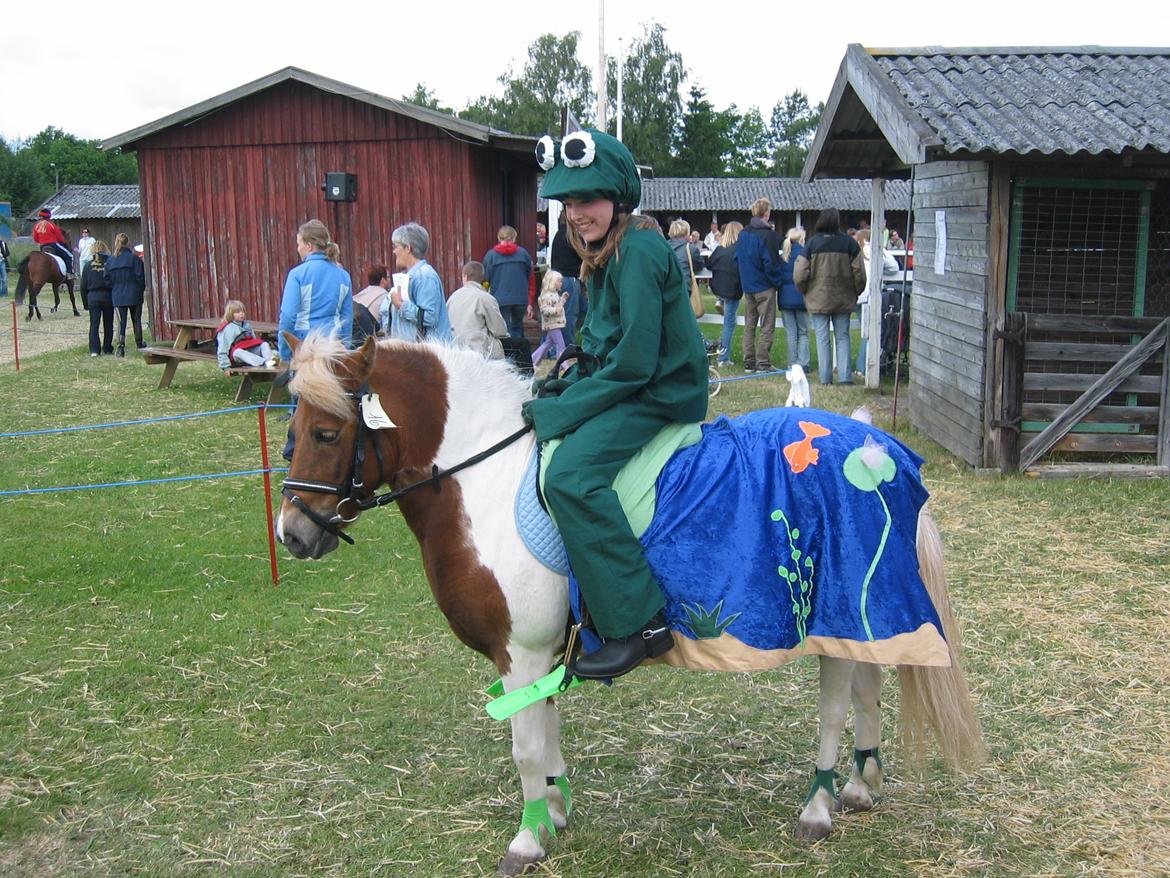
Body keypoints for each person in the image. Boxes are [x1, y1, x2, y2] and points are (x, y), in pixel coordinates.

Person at [524, 128, 708, 680]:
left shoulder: (642, 250)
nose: (578, 213)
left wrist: (564, 409)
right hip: (635, 384)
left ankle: (639, 625)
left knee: (571, 478)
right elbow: (605, 349)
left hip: (660, 395)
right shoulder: (604, 253)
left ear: (618, 198)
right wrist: (566, 384)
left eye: (589, 199)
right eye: (569, 202)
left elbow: (635, 364)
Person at [794, 208, 866, 385]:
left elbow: (799, 274)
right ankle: (845, 377)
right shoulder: (850, 243)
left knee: (822, 338)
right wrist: (854, 291)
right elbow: (860, 274)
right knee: (843, 337)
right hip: (843, 297)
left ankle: (825, 378)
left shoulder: (812, 244)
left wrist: (806, 291)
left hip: (818, 298)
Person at [277, 219, 353, 363]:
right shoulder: (344, 275)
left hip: (306, 347)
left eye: (299, 244)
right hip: (333, 347)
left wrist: (286, 352)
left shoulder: (297, 274)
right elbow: (347, 318)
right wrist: (344, 349)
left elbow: (288, 316)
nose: (298, 248)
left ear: (309, 246)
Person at [734, 197, 785, 373]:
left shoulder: (743, 234)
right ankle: (763, 362)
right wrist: (777, 282)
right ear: (766, 213)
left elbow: (737, 258)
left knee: (750, 324)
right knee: (767, 325)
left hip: (748, 285)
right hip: (764, 286)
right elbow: (770, 262)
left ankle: (749, 361)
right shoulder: (768, 235)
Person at [379, 222, 452, 343]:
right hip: (411, 354)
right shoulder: (408, 277)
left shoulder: (425, 276)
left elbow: (429, 317)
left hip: (430, 354)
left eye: (395, 246)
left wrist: (401, 306)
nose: (394, 251)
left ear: (408, 248)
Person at [854, 228, 899, 375]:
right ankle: (863, 367)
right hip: (871, 295)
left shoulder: (854, 250)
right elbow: (894, 267)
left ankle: (862, 366)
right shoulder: (877, 250)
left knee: (865, 332)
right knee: (871, 333)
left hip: (856, 295)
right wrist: (880, 271)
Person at [448, 260, 508, 359]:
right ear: (482, 278)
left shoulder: (452, 298)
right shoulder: (486, 298)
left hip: (455, 349)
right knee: (521, 344)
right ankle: (524, 372)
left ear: (465, 276)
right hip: (480, 351)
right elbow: (500, 330)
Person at [483, 225, 533, 340]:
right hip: (520, 298)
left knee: (503, 329)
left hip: (500, 299)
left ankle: (507, 354)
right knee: (517, 327)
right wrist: (530, 300)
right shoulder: (523, 254)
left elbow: (485, 279)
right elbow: (529, 275)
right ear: (514, 238)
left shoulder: (491, 256)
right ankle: (519, 353)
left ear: (499, 238)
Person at [707, 221, 743, 366]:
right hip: (732, 289)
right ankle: (723, 357)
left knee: (728, 321)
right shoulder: (738, 250)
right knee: (729, 322)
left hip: (719, 288)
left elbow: (709, 264)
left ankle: (719, 301)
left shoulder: (719, 250)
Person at [107, 232, 146, 355]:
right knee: (136, 320)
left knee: (120, 322)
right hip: (134, 293)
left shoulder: (111, 260)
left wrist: (114, 288)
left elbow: (107, 279)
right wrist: (141, 289)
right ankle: (139, 343)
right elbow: (140, 276)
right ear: (128, 243)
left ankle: (120, 347)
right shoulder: (134, 259)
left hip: (118, 295)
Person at [778, 228, 810, 371]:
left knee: (791, 332)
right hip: (801, 298)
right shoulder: (805, 255)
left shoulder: (783, 257)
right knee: (803, 332)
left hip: (785, 298)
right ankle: (803, 363)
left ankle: (792, 363)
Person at [550, 213, 585, 343]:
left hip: (558, 278)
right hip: (568, 279)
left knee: (566, 314)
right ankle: (566, 347)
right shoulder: (572, 236)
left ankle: (554, 346)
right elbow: (585, 256)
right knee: (569, 316)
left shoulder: (559, 234)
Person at [217, 299, 277, 371]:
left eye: (243, 311)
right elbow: (222, 349)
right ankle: (263, 363)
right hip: (237, 356)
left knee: (264, 344)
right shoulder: (227, 329)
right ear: (230, 314)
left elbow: (254, 341)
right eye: (237, 312)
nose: (241, 314)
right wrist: (225, 367)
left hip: (250, 352)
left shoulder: (247, 325)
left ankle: (270, 362)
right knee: (238, 352)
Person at [530, 270, 571, 365]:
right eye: (559, 281)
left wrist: (563, 299)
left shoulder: (555, 295)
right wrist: (554, 311)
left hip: (555, 323)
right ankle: (564, 365)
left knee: (547, 344)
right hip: (552, 324)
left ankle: (533, 360)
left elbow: (557, 306)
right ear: (552, 282)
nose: (561, 283)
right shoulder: (547, 296)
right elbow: (544, 309)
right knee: (561, 345)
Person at [81, 240, 114, 356]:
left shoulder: (87, 265)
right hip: (107, 296)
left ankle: (94, 350)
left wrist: (85, 302)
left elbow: (83, 286)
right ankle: (107, 347)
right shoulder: (110, 263)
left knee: (94, 324)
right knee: (108, 323)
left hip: (93, 297)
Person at [32, 208, 74, 277]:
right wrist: (63, 243)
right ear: (49, 216)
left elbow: (35, 238)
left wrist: (42, 241)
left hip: (42, 246)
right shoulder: (51, 225)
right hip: (53, 245)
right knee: (69, 256)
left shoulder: (37, 226)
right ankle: (69, 273)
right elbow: (60, 237)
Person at [667, 219, 704, 285]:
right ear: (687, 233)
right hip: (683, 286)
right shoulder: (692, 249)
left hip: (665, 286)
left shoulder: (663, 245)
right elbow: (699, 265)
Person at [353, 264, 391, 329]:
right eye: (388, 277)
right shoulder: (386, 297)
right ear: (382, 280)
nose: (390, 280)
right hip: (372, 335)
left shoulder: (360, 295)